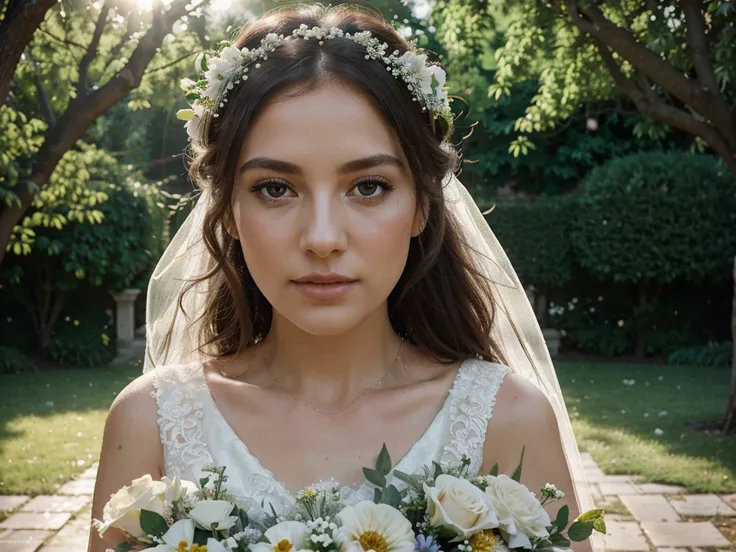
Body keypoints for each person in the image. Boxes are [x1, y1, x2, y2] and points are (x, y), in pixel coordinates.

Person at [88, 5, 598, 551]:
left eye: (369, 186)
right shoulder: (151, 424)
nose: (323, 238)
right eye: (275, 189)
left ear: (423, 205)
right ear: (229, 209)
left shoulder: (509, 420)